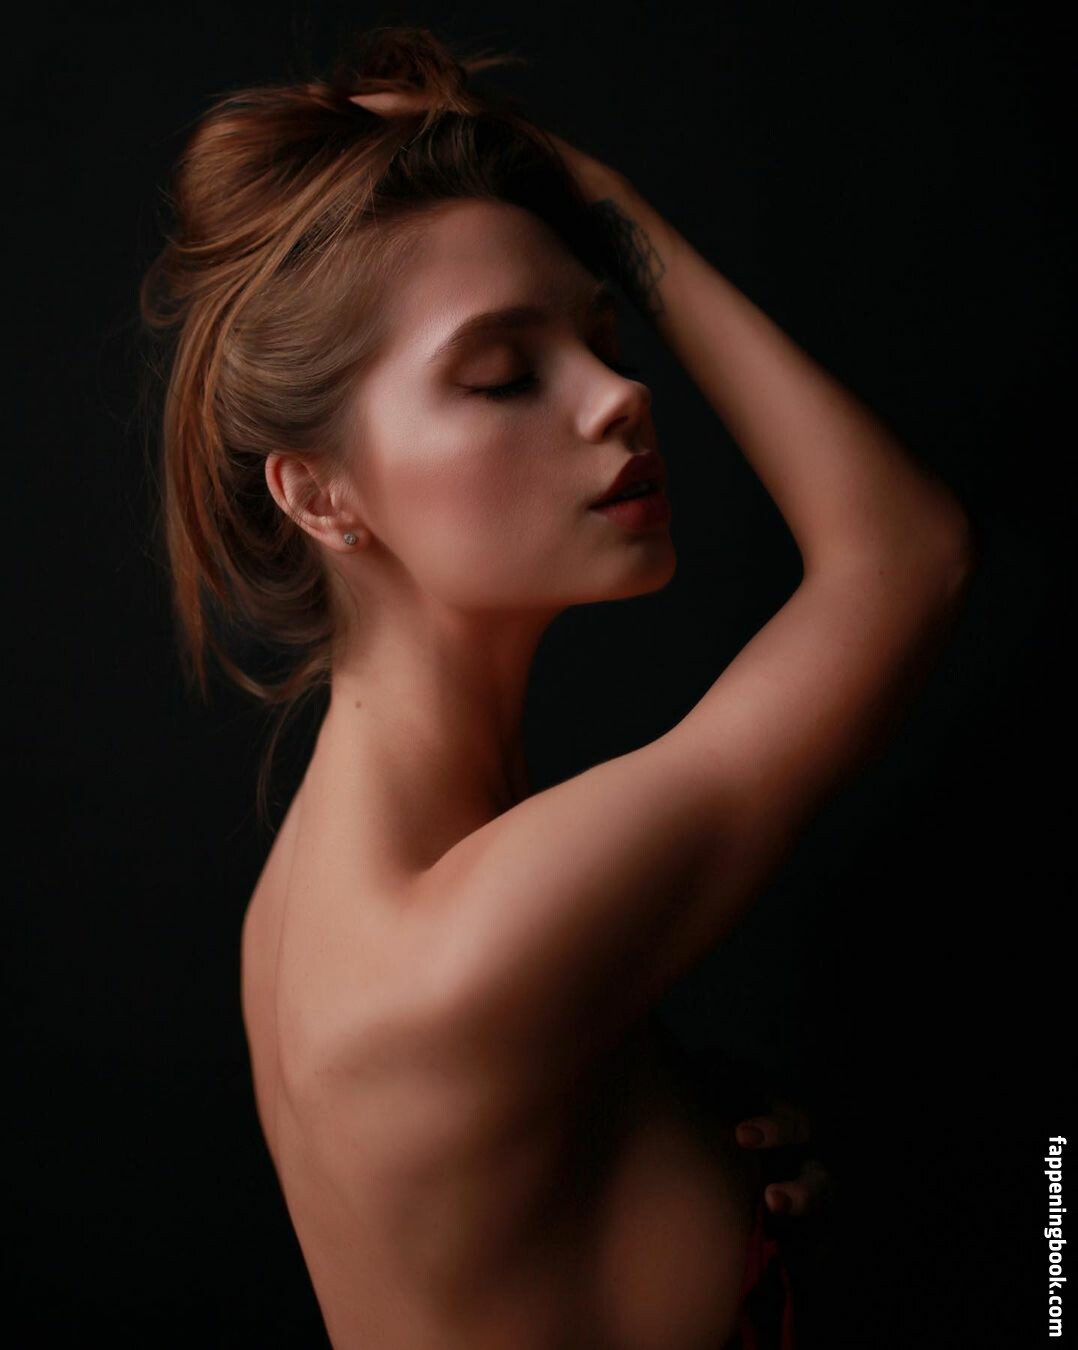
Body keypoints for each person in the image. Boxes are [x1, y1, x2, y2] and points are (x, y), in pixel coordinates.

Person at [139, 24, 974, 1349]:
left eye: (601, 333)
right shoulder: (464, 945)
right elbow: (904, 560)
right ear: (320, 493)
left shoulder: (303, 906)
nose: (620, 394)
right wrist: (599, 193)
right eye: (502, 375)